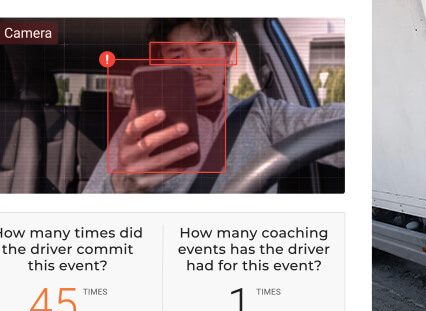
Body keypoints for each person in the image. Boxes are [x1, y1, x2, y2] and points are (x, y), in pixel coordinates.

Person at [84, 18, 343, 193]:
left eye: (205, 50)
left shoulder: (265, 113)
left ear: (228, 54)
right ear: (162, 61)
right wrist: (120, 188)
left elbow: (333, 125)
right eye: (177, 54)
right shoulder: (142, 127)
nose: (194, 64)